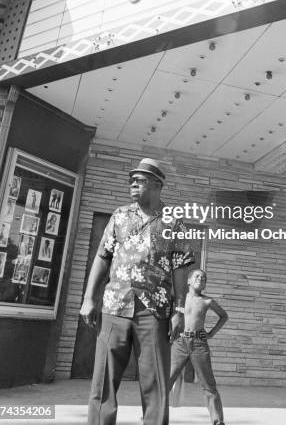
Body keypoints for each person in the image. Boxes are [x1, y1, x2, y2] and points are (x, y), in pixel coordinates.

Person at [80, 158, 194, 425]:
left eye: (140, 179)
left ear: (157, 185)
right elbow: (102, 257)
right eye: (132, 179)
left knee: (155, 386)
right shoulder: (119, 216)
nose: (133, 183)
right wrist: (88, 299)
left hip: (154, 313)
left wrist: (179, 310)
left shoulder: (174, 223)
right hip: (114, 307)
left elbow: (181, 269)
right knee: (103, 383)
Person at [169, 269, 228, 425]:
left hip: (199, 344)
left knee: (209, 385)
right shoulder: (179, 300)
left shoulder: (207, 301)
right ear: (189, 281)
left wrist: (211, 334)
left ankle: (218, 421)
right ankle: (151, 417)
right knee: (166, 380)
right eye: (197, 276)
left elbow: (224, 316)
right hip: (180, 343)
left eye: (203, 278)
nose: (200, 279)